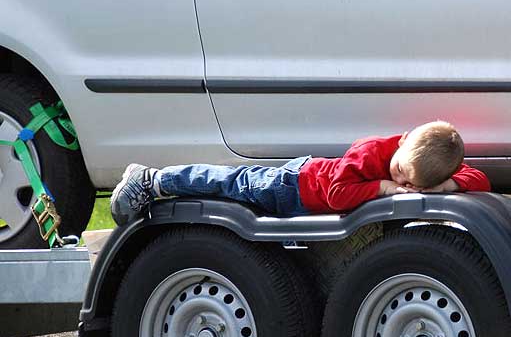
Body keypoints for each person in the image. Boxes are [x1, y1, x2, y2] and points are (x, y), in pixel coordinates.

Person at [110, 120, 490, 225]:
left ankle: (160, 183)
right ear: (403, 141)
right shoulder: (371, 151)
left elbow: (481, 181)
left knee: (225, 194)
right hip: (292, 186)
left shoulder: (423, 165)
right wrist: (385, 188)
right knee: (226, 184)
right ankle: (152, 180)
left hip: (300, 197)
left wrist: (448, 184)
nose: (404, 184)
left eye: (412, 185)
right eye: (401, 171)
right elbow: (337, 196)